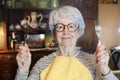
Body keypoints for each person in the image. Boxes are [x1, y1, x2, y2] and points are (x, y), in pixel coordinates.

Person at [15, 6, 118, 80]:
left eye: (71, 26)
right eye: (60, 26)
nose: (65, 31)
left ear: (79, 31)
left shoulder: (93, 61)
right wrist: (22, 70)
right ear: (54, 32)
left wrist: (105, 70)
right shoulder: (42, 64)